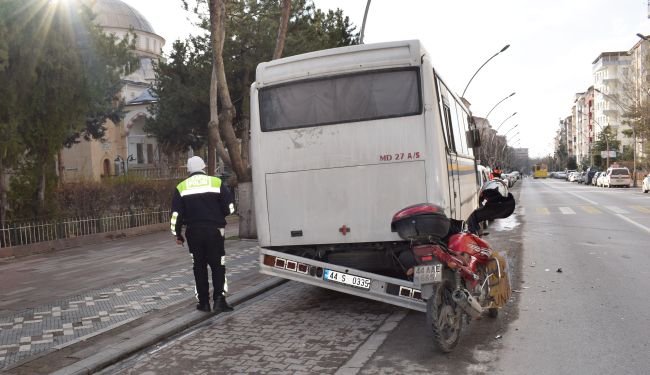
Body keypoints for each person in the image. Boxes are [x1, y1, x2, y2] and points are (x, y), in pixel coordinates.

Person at [170, 156, 235, 313]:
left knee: (199, 267)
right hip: (215, 231)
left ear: (189, 170)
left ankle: (204, 303)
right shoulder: (216, 182)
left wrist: (177, 234)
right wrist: (219, 215)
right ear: (204, 168)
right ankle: (219, 300)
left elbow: (176, 215)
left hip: (193, 232)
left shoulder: (181, 187)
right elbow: (230, 207)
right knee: (218, 265)